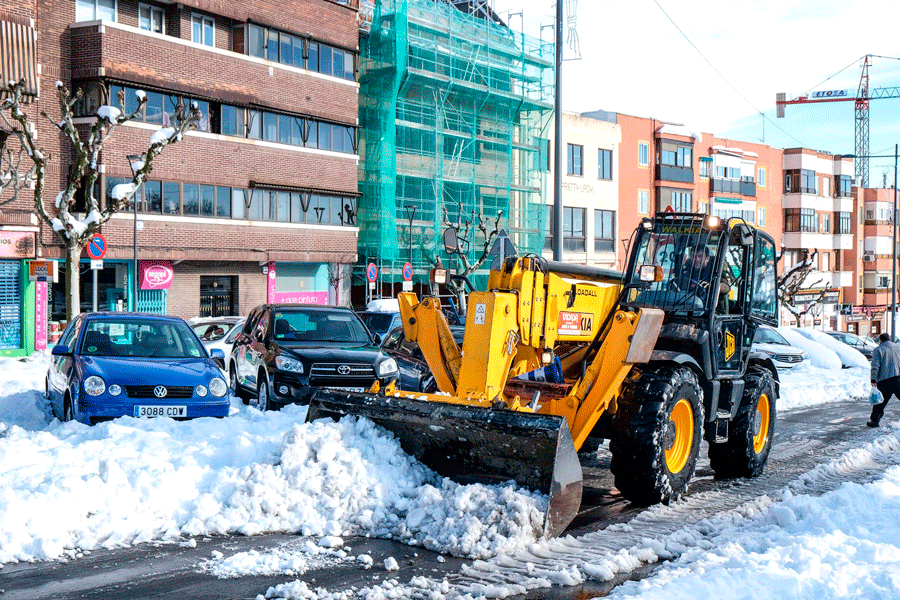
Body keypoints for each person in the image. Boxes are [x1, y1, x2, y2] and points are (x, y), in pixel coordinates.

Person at [868, 332, 900, 427]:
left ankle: (874, 421)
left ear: (880, 340)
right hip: (898, 378)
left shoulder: (878, 350)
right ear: (889, 339)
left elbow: (875, 365)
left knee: (880, 403)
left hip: (885, 381)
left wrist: (873, 379)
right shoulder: (898, 347)